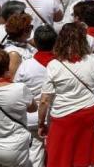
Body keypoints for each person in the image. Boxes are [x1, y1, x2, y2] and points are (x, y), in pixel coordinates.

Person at [38, 22, 94, 167]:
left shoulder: (54, 65)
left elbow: (44, 100)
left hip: (63, 117)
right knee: (84, 158)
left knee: (61, 158)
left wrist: (41, 122)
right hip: (90, 113)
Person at [15, 25, 56, 167]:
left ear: (36, 43)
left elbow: (17, 90)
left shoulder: (25, 66)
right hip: (56, 113)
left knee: (35, 152)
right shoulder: (62, 64)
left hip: (32, 114)